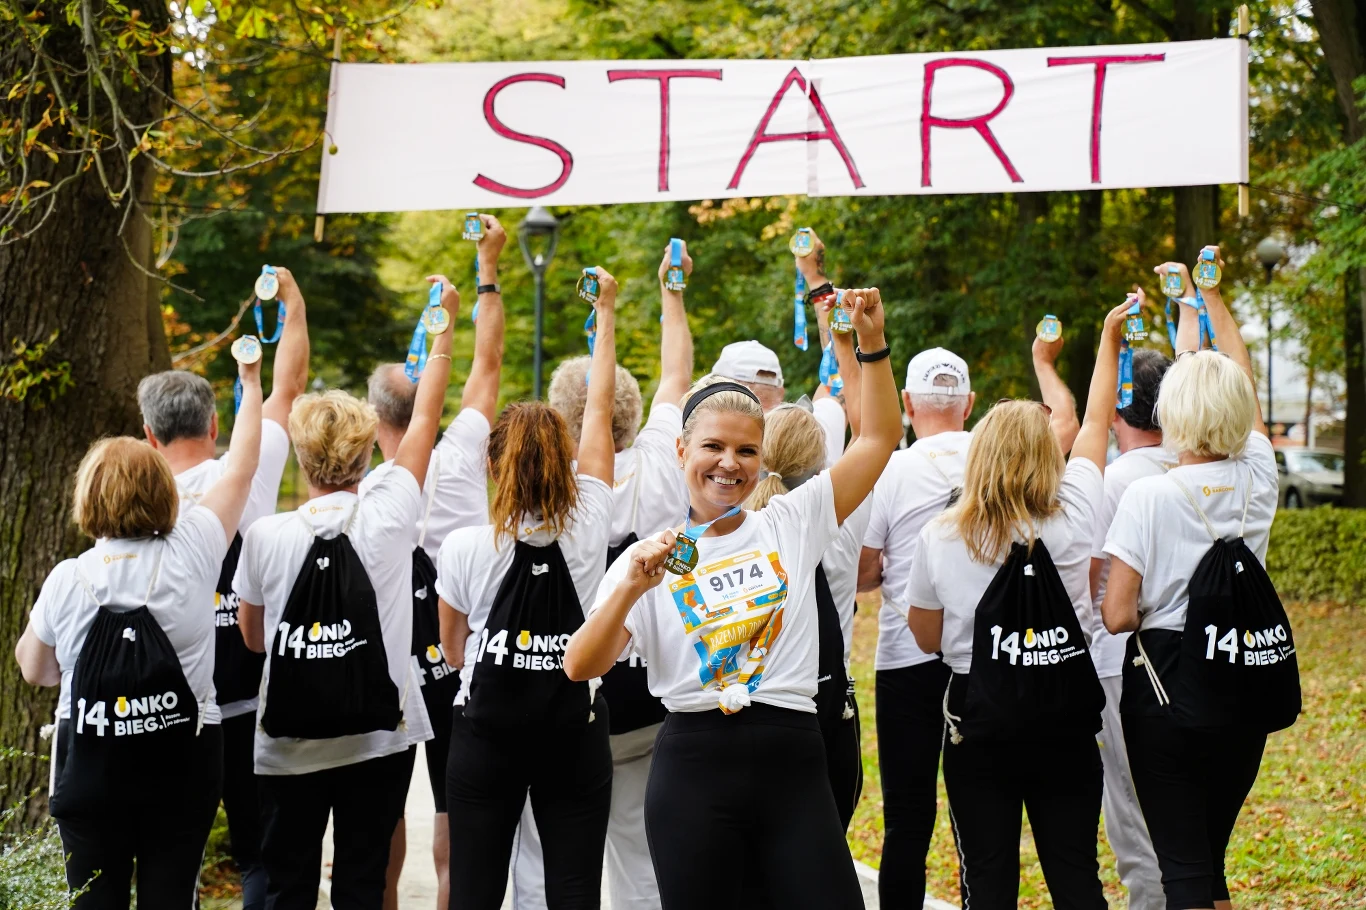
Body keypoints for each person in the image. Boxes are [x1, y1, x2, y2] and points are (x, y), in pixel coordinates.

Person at [565, 286, 903, 910]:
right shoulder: (649, 556)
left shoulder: (791, 522)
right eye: (713, 448)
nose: (729, 464)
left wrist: (870, 341)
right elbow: (580, 665)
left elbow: (879, 437)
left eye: (746, 450)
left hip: (793, 764)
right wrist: (631, 589)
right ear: (681, 452)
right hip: (694, 770)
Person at [233, 278, 457, 909]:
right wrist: (443, 329)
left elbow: (254, 639)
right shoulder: (389, 517)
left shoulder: (267, 538)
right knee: (362, 882)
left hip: (287, 744)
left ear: (302, 458)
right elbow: (426, 415)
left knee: (287, 885)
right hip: (377, 739)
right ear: (365, 456)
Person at [905, 297, 1133, 908]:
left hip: (981, 727)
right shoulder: (1077, 510)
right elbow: (1090, 423)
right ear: (1044, 454)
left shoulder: (942, 535)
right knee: (1076, 876)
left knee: (988, 878)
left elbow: (926, 637)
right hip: (1064, 724)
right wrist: (1108, 342)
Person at [16, 355, 264, 909]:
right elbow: (243, 466)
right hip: (182, 770)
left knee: (93, 901)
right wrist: (249, 382)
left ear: (88, 496)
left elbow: (35, 669)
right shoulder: (197, 547)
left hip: (90, 776)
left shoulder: (68, 579)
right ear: (162, 488)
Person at [1102, 247, 1299, 910]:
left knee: (1181, 864)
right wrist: (1205, 299)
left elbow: (1118, 615)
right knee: (1207, 858)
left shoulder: (1149, 497)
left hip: (1167, 689)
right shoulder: (1260, 477)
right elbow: (1232, 377)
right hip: (1243, 680)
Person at [857, 337, 1075, 908]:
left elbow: (863, 571)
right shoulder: (1005, 454)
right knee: (978, 826)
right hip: (990, 663)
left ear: (907, 402)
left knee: (907, 817)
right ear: (969, 402)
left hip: (908, 658)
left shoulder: (890, 465)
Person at [513, 243, 693, 910]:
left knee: (542, 864)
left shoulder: (553, 497)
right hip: (646, 696)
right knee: (642, 860)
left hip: (564, 700)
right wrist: (671, 291)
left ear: (565, 422)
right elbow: (678, 371)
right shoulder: (666, 462)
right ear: (634, 412)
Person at [435, 267, 620, 910]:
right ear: (568, 463)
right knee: (574, 887)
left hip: (486, 737)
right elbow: (598, 408)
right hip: (574, 731)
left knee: (476, 891)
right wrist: (608, 314)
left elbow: (455, 653)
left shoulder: (465, 547)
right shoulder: (591, 524)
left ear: (493, 466)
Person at [134, 266, 310, 910]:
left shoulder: (132, 503)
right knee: (260, 853)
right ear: (216, 427)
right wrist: (290, 304)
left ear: (149, 436)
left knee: (167, 856)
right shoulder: (245, 471)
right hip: (256, 697)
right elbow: (287, 387)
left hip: (170, 708)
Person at [365, 215, 506, 910]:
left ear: (372, 421)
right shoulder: (457, 457)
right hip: (456, 646)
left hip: (389, 656)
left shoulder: (364, 492)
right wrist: (485, 271)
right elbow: (488, 365)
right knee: (455, 812)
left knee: (382, 815)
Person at [742, 303, 866, 829]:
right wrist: (848, 340)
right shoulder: (846, 513)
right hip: (824, 701)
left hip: (752, 701)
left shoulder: (733, 525)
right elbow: (868, 429)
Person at [1088, 301, 1177, 910]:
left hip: (1122, 657)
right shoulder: (1193, 464)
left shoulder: (1117, 481)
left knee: (1129, 802)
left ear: (1120, 405)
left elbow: (1091, 575)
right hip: (1187, 657)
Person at [712, 227, 848, 466]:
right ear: (781, 392)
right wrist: (816, 278)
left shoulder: (708, 456)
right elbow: (839, 377)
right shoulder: (815, 437)